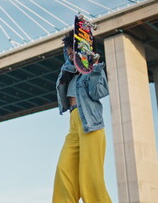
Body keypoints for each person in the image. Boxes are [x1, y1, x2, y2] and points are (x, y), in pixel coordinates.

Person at [53, 32, 111, 203]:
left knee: (91, 179)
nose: (71, 56)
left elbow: (99, 92)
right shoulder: (69, 72)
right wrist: (70, 63)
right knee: (64, 172)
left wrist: (95, 68)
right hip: (74, 125)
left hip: (91, 126)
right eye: (68, 54)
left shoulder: (91, 71)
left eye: (73, 53)